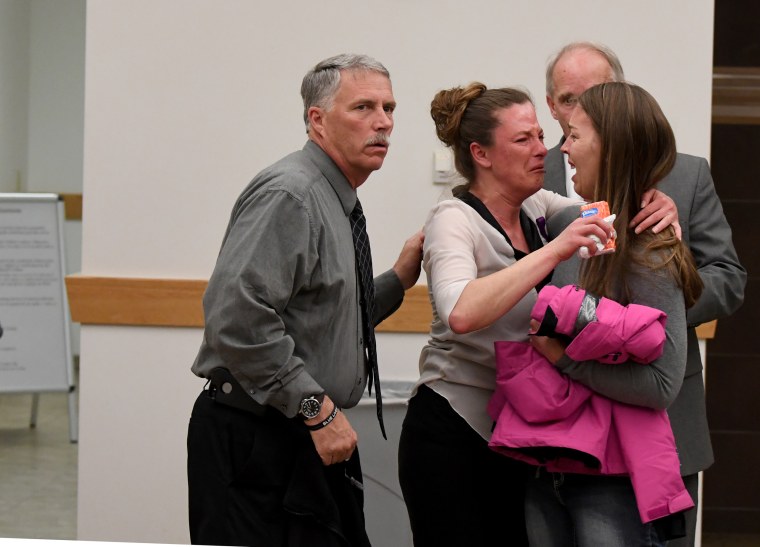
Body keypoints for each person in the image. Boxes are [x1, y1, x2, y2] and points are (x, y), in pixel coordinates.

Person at [397, 82, 674, 547]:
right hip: (452, 434)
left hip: (517, 435)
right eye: (524, 139)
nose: (544, 149)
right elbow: (461, 313)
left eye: (543, 135)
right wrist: (555, 251)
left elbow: (612, 219)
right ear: (481, 154)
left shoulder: (538, 206)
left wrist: (658, 202)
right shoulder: (452, 219)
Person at [186, 53, 424, 547]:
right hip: (260, 436)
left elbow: (328, 317)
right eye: (363, 107)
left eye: (389, 107)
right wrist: (316, 407)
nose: (383, 123)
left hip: (297, 432)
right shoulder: (292, 195)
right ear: (317, 119)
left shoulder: (336, 198)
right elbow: (236, 317)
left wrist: (400, 278)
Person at [543, 41, 747, 546]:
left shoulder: (685, 174)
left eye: (597, 94)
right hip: (559, 433)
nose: (584, 110)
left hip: (662, 418)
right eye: (569, 99)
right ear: (552, 105)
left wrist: (646, 317)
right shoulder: (535, 174)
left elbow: (727, 276)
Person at [497, 81, 703, 545]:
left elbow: (662, 385)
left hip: (612, 483)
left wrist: (563, 359)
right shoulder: (578, 226)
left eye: (574, 135)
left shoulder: (650, 244)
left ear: (611, 145)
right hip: (551, 466)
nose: (563, 148)